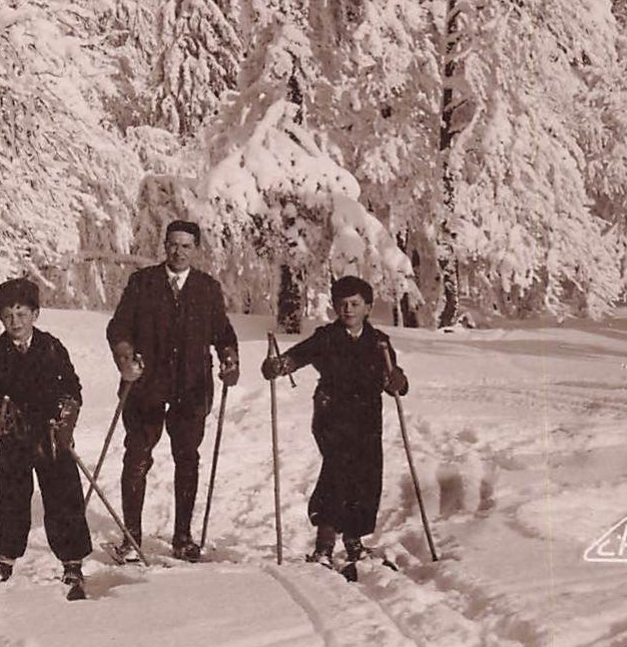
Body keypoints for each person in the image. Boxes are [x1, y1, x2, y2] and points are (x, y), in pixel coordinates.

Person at [105, 219, 240, 561]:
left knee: (187, 458)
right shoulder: (143, 282)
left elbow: (222, 332)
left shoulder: (207, 288)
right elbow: (119, 327)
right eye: (173, 244)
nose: (178, 251)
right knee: (136, 456)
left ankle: (183, 537)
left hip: (191, 387)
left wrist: (229, 358)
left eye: (186, 246)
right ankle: (131, 538)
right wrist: (124, 357)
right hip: (145, 385)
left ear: (196, 250)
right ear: (164, 245)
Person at [260, 274, 410, 566]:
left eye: (355, 304)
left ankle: (354, 540)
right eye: (342, 304)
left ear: (368, 307)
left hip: (367, 417)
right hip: (332, 414)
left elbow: (393, 380)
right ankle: (324, 546)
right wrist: (278, 366)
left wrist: (398, 381)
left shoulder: (379, 342)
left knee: (367, 476)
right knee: (338, 471)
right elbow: (296, 357)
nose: (348, 310)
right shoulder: (326, 337)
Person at [0, 277, 94, 593]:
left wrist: (66, 418)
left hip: (51, 436)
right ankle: (5, 559)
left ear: (35, 314)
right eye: (8, 315)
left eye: (22, 314)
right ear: (0, 317)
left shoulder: (51, 347)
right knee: (11, 497)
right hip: (14, 436)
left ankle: (72, 564)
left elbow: (72, 389)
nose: (15, 322)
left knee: (63, 496)